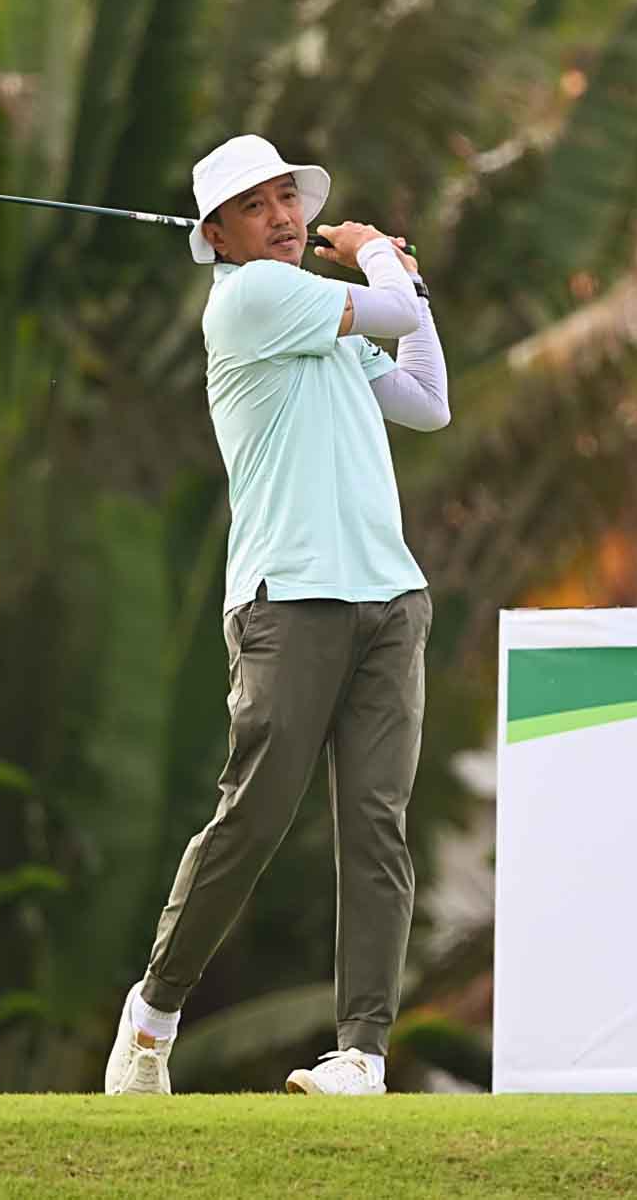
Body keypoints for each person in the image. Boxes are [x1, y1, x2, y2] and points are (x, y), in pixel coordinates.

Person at [103, 135, 450, 1097]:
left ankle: (362, 1054)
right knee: (253, 817)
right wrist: (376, 253)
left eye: (288, 198)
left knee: (376, 826)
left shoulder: (321, 320)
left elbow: (427, 400)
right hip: (289, 599)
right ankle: (152, 1018)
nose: (284, 217)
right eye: (254, 207)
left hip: (390, 596)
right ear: (216, 236)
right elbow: (388, 309)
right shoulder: (253, 299)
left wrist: (404, 285)